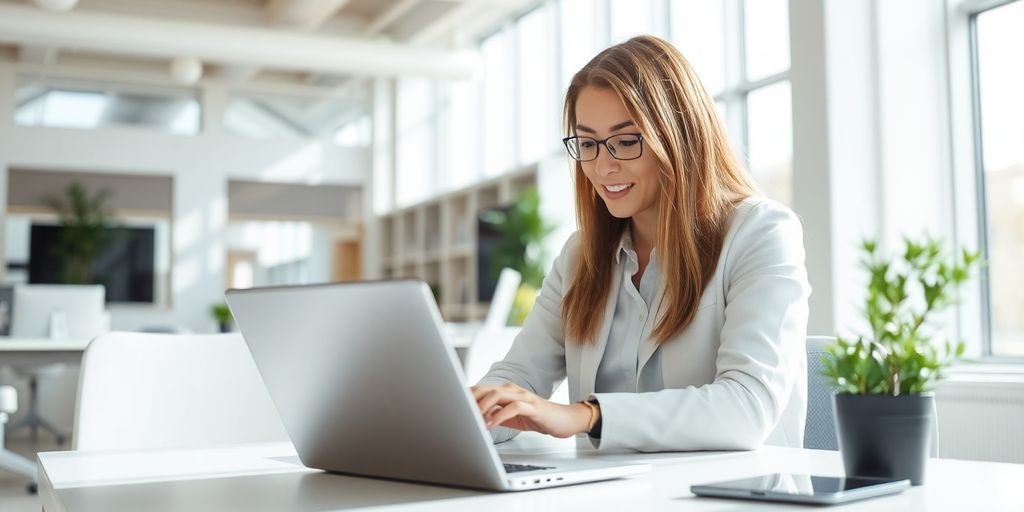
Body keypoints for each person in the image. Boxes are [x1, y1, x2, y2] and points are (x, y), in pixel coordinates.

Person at [471, 35, 811, 452]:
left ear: (679, 136)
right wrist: (460, 414)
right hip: (608, 484)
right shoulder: (580, 256)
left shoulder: (761, 233)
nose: (603, 166)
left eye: (627, 141)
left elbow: (746, 407)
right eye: (588, 143)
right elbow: (520, 376)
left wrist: (587, 415)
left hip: (730, 486)